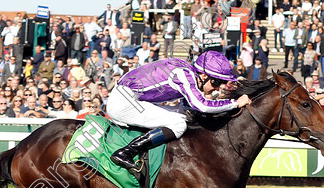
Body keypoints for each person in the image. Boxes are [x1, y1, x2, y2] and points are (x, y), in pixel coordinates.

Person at [106, 50, 251, 171]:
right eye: (216, 82)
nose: (218, 88)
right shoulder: (184, 75)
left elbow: (191, 107)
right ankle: (125, 153)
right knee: (178, 124)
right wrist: (235, 103)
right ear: (204, 75)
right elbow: (202, 106)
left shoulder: (187, 71)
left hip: (131, 98)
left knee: (184, 113)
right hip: (124, 103)